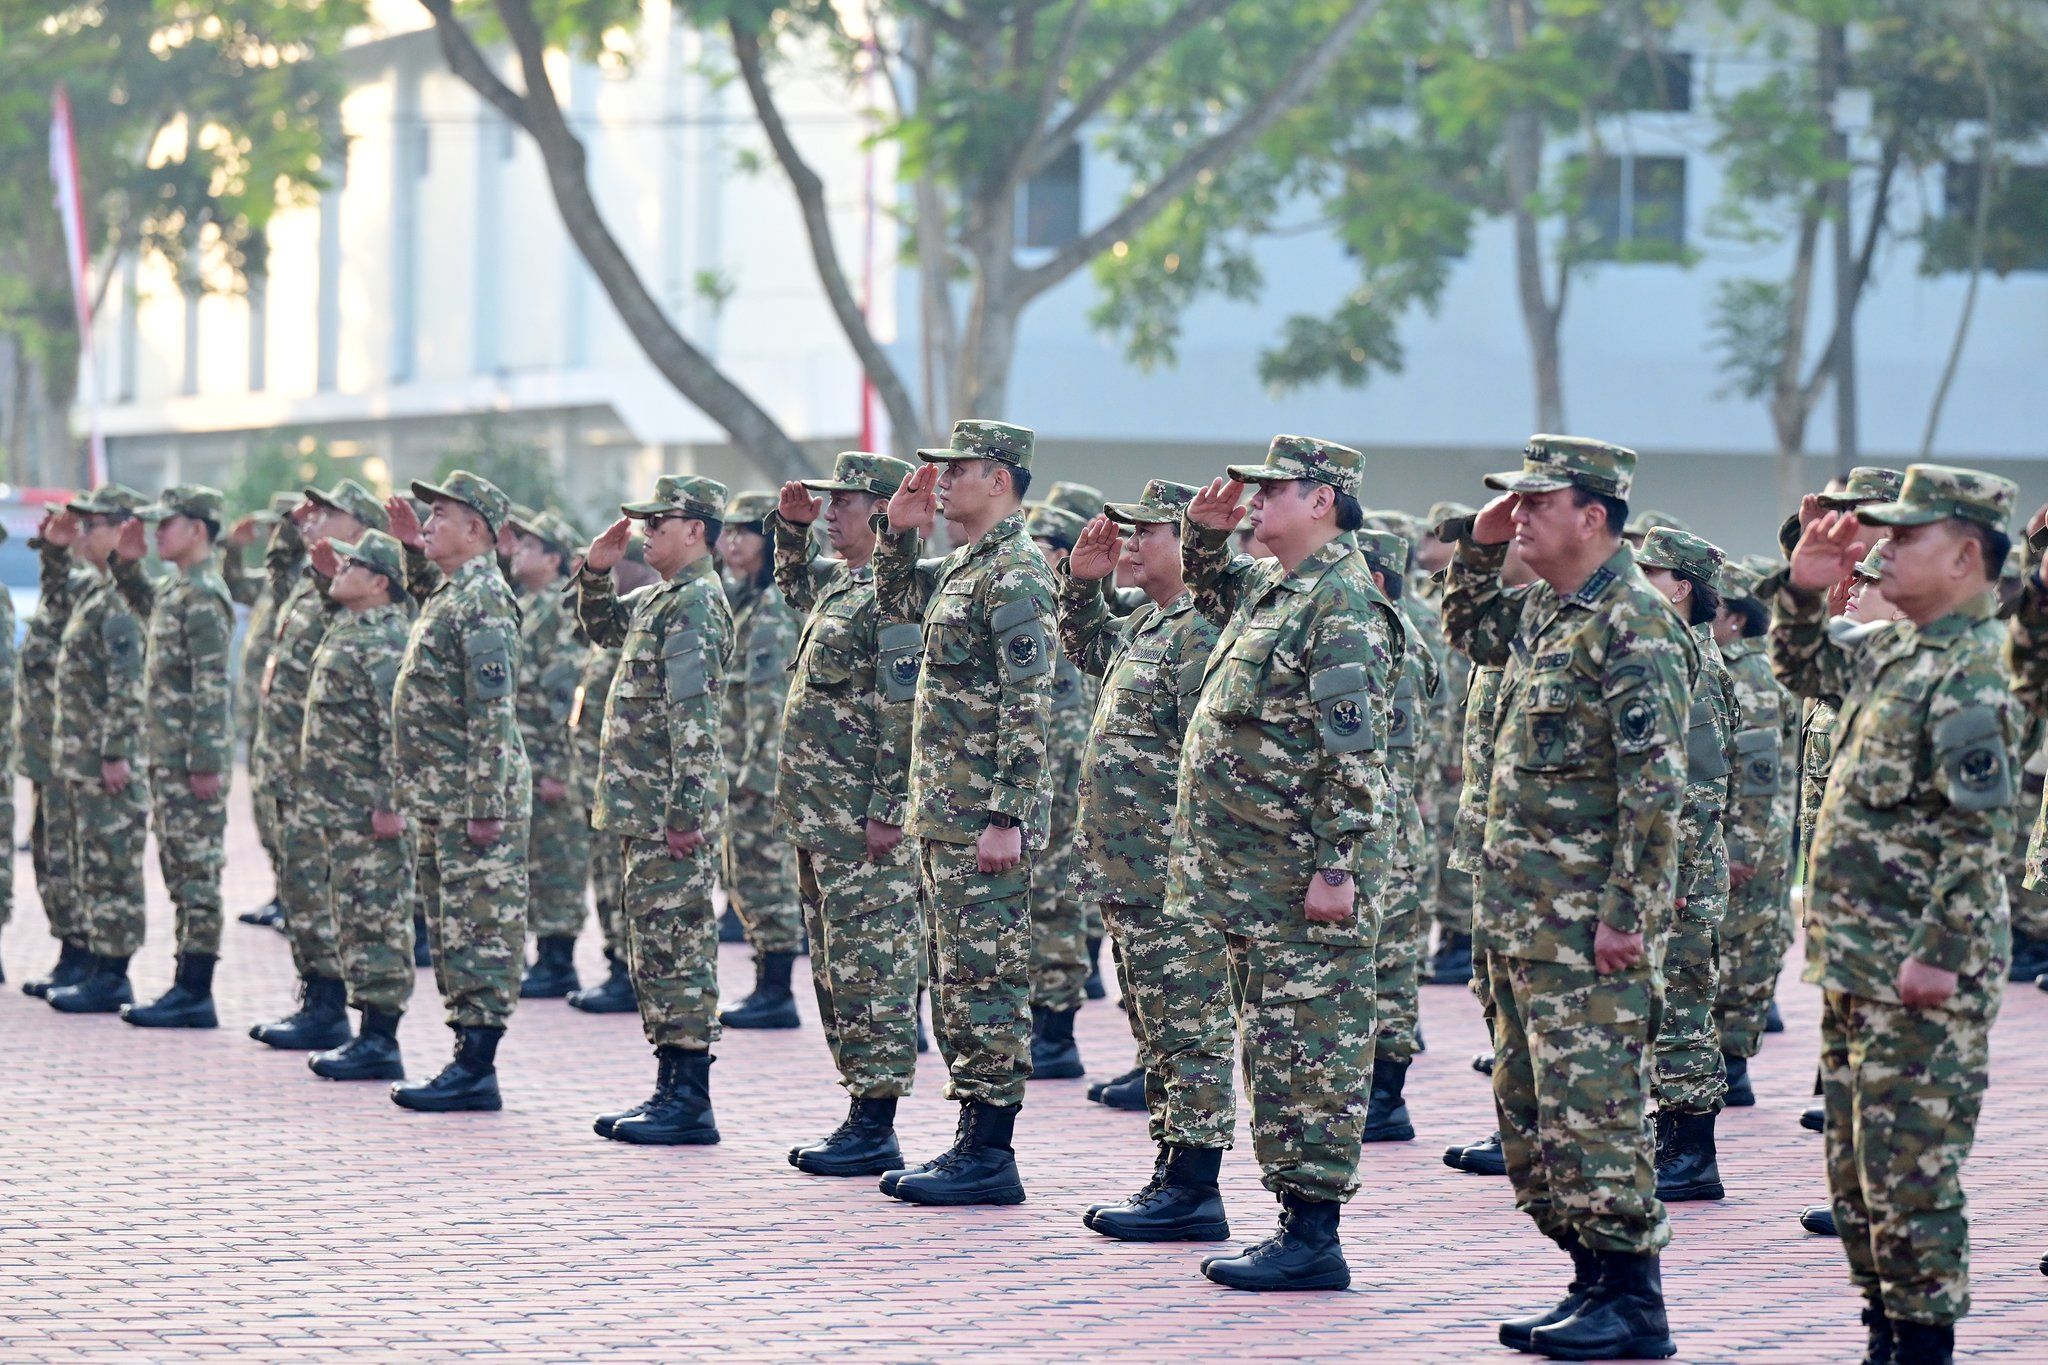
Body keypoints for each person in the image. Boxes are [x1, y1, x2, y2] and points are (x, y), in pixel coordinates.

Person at [1443, 436, 1688, 1360]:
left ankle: (1634, 1299)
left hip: (1589, 932)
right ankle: (1590, 1280)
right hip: (1522, 920)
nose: (1520, 518)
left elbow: (1656, 789)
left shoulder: (1634, 622)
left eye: (1537, 503)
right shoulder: (1552, 611)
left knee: (1596, 1119)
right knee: (1533, 1121)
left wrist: (1628, 913)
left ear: (1594, 516)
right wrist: (1476, 544)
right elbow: (1470, 629)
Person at [1776, 465, 2020, 1365]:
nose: (1883, 550)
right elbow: (1801, 663)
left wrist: (1941, 952)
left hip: (1920, 971)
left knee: (1910, 1171)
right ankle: (1885, 1330)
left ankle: (1923, 1344)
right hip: (1855, 961)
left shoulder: (1977, 671)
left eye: (1906, 538)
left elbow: (1981, 830)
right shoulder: (1899, 650)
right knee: (1856, 1173)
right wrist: (1806, 584)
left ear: (1964, 554)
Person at [1171, 436, 1401, 1292]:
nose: (1254, 502)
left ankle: (1313, 1234)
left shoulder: (1340, 603)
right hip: (1255, 878)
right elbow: (1208, 581)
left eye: (1274, 490)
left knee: (1312, 1051)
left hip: (1305, 881)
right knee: (1273, 1048)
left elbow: (1354, 753)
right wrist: (1203, 530)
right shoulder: (1279, 589)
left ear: (1324, 500)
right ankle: (1293, 1223)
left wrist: (1337, 865)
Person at [871, 419, 1059, 1207]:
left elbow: (1028, 703)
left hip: (981, 819)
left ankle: (990, 1151)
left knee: (985, 979)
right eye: (938, 471)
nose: (941, 483)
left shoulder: (1015, 572)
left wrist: (1007, 814)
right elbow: (893, 612)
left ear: (1002, 478)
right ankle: (970, 1141)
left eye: (958, 470)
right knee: (954, 981)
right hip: (943, 816)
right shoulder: (964, 567)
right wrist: (896, 536)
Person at [1059, 479, 1231, 1242]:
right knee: (1158, 1025)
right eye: (1122, 531)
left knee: (1189, 1024)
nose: (1126, 543)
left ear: (1186, 543)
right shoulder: (1152, 620)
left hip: (1172, 868)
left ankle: (1195, 1186)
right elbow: (1090, 654)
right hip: (1132, 870)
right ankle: (1172, 1169)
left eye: (1144, 532)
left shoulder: (1203, 629)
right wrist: (1083, 590)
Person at [771, 453, 924, 1175]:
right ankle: (858, 1109)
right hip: (819, 817)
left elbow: (903, 713)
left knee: (872, 968)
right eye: (828, 505)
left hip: (863, 825)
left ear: (885, 511)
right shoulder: (843, 588)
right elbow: (791, 589)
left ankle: (877, 1119)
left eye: (845, 503)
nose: (833, 513)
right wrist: (792, 534)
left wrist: (889, 806)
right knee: (834, 969)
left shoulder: (895, 598)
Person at [573, 475, 734, 1143]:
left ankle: (689, 1099)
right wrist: (594, 572)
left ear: (695, 529)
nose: (644, 530)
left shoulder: (696, 603)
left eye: (657, 520)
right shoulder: (661, 598)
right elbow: (599, 626)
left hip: (670, 814)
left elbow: (694, 717)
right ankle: (669, 1085)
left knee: (680, 949)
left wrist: (686, 810)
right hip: (642, 809)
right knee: (654, 951)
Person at [384, 470, 533, 1112]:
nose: (428, 523)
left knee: (480, 931)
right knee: (452, 929)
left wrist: (484, 804)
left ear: (476, 530)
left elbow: (491, 712)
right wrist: (407, 549)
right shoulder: (453, 591)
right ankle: (465, 1060)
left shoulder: (483, 599)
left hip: (474, 802)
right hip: (443, 799)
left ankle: (476, 1068)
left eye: (440, 515)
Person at [249, 482, 385, 1050]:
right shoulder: (315, 588)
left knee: (333, 897)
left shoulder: (357, 593)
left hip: (332, 776)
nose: (313, 520)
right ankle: (317, 1002)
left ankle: (336, 1010)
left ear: (363, 531)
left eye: (330, 512)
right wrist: (294, 527)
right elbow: (281, 566)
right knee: (301, 894)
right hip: (290, 765)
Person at [1634, 529, 1736, 1204]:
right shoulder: (1664, 655)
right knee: (1665, 1004)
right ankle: (1671, 1133)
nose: (1637, 577)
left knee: (1683, 1009)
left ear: (1682, 588)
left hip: (1684, 873)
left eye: (1653, 570)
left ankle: (1692, 1151)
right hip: (1667, 869)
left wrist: (1670, 876)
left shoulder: (1696, 670)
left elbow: (1699, 790)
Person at [114, 486, 235, 1029]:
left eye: (168, 525)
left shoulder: (206, 594)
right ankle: (185, 985)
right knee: (179, 872)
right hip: (168, 758)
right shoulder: (178, 590)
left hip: (191, 764)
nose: (158, 533)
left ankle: (195, 990)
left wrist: (205, 760)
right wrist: (127, 562)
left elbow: (213, 684)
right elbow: (144, 605)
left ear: (198, 531)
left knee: (197, 873)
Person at [299, 530, 418, 1081]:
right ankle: (364, 1030)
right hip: (341, 806)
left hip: (372, 809)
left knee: (379, 917)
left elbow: (397, 726)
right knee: (354, 916)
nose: (339, 571)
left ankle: (380, 1040)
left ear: (379, 582)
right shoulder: (352, 627)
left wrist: (390, 800)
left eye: (353, 565)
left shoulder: (387, 638)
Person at [1437, 530, 1535, 1179]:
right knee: (1494, 992)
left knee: (1527, 1001)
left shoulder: (1542, 630)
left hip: (1533, 858)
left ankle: (1535, 1131)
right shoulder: (1500, 634)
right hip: (1489, 845)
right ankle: (1515, 1124)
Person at [36, 487, 155, 1014]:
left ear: (125, 530)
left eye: (92, 525)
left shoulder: (125, 600)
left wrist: (116, 750)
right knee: (85, 862)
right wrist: (55, 551)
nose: (81, 534)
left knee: (112, 865)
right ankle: (88, 964)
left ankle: (112, 975)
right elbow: (57, 598)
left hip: (105, 759)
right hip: (79, 757)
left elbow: (129, 681)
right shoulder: (96, 591)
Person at [1356, 529, 1440, 1146]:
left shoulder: (1396, 648)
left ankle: (1386, 1101)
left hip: (1386, 831)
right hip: (1381, 826)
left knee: (1388, 970)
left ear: (1379, 582)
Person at [715, 491, 805, 1031]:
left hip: (757, 775)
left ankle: (776, 992)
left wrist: (753, 776)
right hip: (735, 767)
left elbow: (772, 703)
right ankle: (764, 984)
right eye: (725, 532)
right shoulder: (740, 601)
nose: (730, 542)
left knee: (765, 879)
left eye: (743, 532)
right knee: (742, 877)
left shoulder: (771, 610)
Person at [1709, 562, 1798, 1113]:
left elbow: (1759, 774)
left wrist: (1740, 847)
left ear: (1737, 619)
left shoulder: (1752, 677)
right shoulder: (1711, 664)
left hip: (1747, 836)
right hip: (1718, 833)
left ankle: (1732, 1065)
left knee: (1742, 953)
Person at [563, 555, 660, 1014]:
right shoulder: (617, 631)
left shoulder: (653, 623)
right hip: (600, 781)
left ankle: (629, 973)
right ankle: (617, 968)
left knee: (624, 885)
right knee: (605, 883)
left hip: (631, 785)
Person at [1022, 501, 1097, 1081]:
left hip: (1063, 779)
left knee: (1055, 895)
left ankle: (1056, 1031)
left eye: (1052, 542)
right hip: (1035, 776)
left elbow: (1067, 717)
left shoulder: (1068, 610)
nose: (1040, 550)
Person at [505, 508, 588, 1001]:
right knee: (538, 857)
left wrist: (558, 766)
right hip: (528, 757)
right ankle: (546, 955)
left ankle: (559, 962)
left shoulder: (559, 610)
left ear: (555, 558)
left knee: (558, 859)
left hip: (550, 762)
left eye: (531, 546)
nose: (518, 551)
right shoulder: (529, 605)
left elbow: (565, 693)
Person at [15, 511, 92, 999]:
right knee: (48, 856)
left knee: (71, 858)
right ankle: (69, 952)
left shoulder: (92, 593)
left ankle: (84, 956)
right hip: (45, 754)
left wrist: (59, 554)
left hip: (74, 756)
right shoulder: (63, 595)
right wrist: (54, 552)